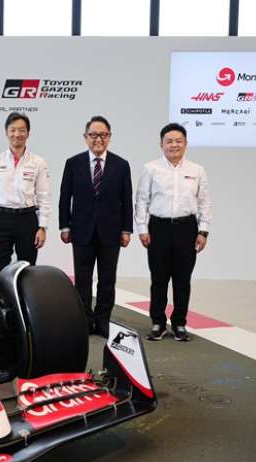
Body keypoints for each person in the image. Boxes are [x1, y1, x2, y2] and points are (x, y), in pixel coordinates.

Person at [135, 122, 212, 342]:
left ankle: (179, 323)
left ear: (186, 144)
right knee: (158, 279)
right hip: (158, 228)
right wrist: (142, 228)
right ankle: (158, 323)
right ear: (161, 144)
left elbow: (205, 202)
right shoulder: (151, 168)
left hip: (187, 228)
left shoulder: (197, 170)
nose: (174, 145)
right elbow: (141, 200)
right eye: (169, 141)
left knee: (182, 280)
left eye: (178, 141)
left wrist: (203, 231)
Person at [59, 116, 133, 338]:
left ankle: (102, 322)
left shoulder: (121, 165)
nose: (98, 139)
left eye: (103, 135)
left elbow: (126, 199)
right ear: (85, 137)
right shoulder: (73, 163)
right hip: (81, 231)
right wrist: (64, 226)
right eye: (93, 135)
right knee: (82, 280)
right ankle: (84, 320)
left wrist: (126, 230)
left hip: (111, 232)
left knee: (107, 280)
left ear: (109, 137)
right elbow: (65, 198)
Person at [0, 112, 51, 298]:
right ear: (6, 132)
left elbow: (44, 196)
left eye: (21, 130)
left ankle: (26, 314)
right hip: (1, 219)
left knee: (27, 270)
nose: (16, 134)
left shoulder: (38, 162)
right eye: (12, 130)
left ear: (28, 133)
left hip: (27, 219)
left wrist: (42, 227)